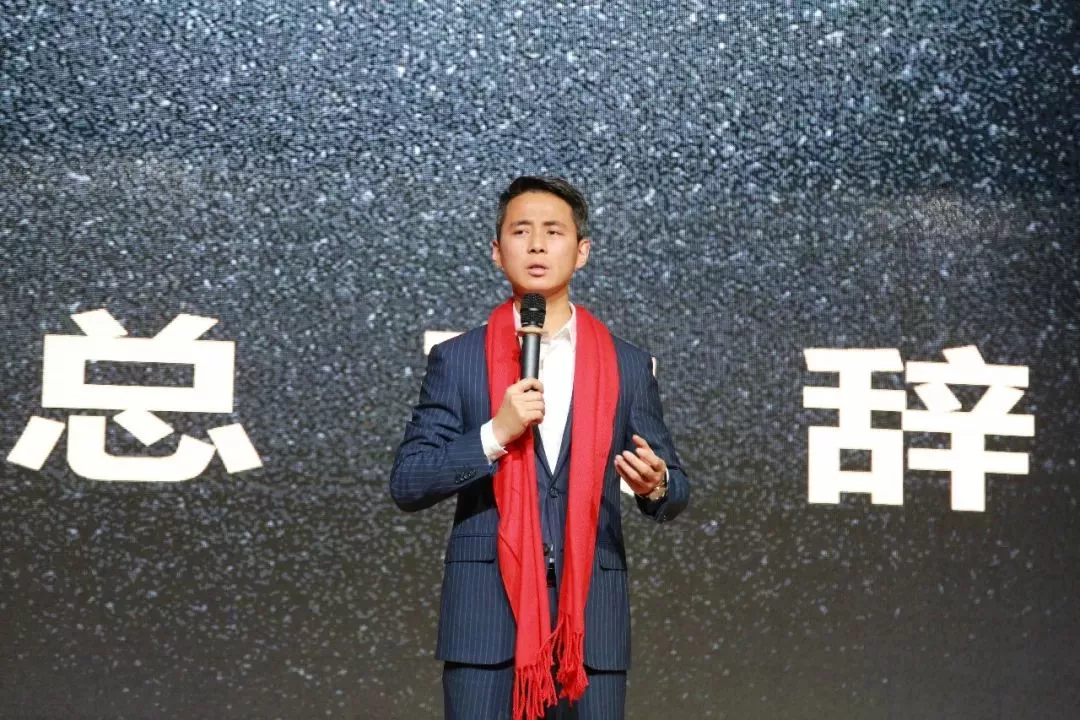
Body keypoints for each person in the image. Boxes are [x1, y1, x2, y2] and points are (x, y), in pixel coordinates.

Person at [390, 176, 690, 720]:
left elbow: (676, 487)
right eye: (520, 231)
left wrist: (657, 484)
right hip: (487, 624)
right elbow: (408, 481)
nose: (535, 245)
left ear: (582, 252)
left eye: (553, 232)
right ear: (496, 250)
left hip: (589, 629)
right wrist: (494, 434)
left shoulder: (626, 364)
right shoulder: (457, 359)